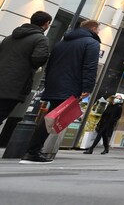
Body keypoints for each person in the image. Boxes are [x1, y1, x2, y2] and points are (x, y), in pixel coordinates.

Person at [20, 19, 100, 164]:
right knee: (52, 118)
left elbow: (51, 64)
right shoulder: (92, 43)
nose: (99, 32)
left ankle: (33, 150)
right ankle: (32, 152)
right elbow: (90, 67)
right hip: (70, 86)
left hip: (55, 84)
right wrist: (87, 88)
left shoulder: (62, 42)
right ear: (93, 28)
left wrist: (49, 83)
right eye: (98, 29)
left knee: (51, 116)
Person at [0, 11, 51, 126]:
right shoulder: (40, 39)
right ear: (46, 23)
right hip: (14, 86)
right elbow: (38, 59)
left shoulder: (9, 38)